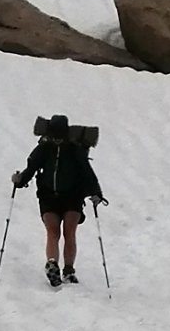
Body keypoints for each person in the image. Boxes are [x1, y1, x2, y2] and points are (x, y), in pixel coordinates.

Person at [14, 115, 104, 286]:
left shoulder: (72, 149)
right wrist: (20, 180)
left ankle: (62, 267)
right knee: (56, 231)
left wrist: (96, 192)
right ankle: (57, 266)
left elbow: (86, 171)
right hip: (50, 197)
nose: (57, 139)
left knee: (64, 231)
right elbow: (31, 168)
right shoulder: (45, 148)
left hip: (71, 197)